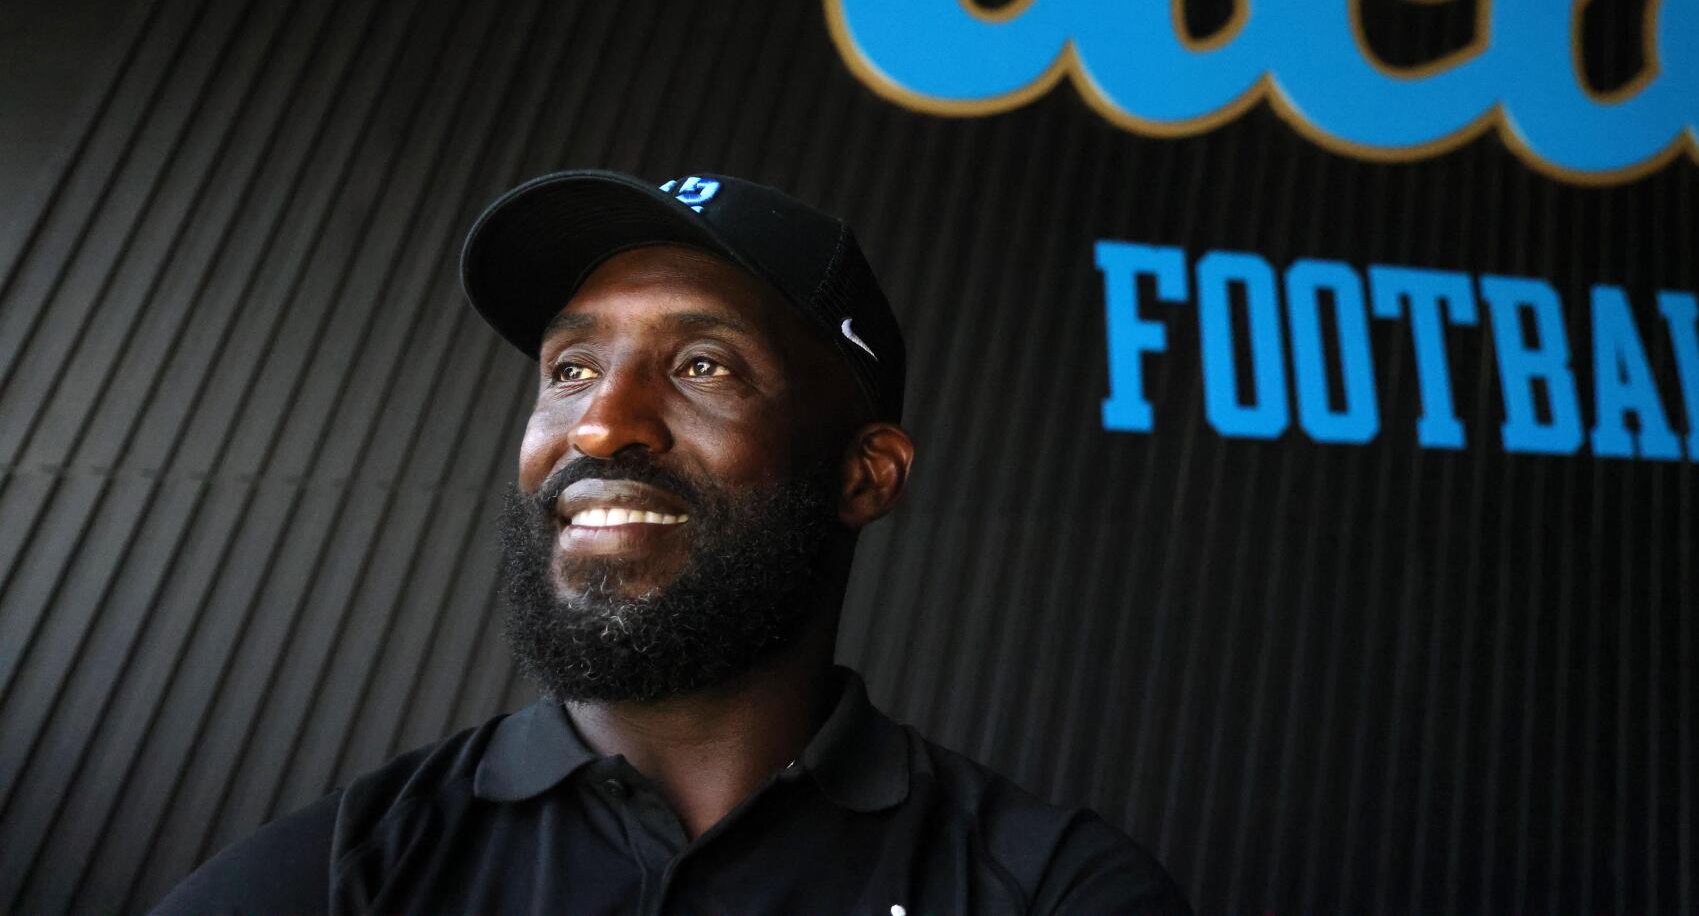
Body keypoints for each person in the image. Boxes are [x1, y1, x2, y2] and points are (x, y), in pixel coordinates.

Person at [153, 169, 1189, 914]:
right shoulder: (340, 873)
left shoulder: (1050, 884)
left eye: (701, 365)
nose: (601, 423)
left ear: (864, 473)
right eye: (568, 368)